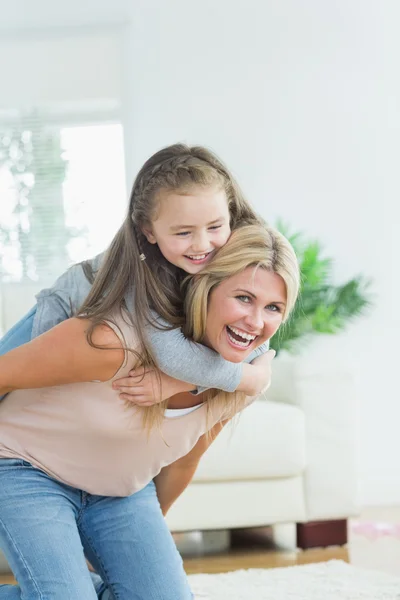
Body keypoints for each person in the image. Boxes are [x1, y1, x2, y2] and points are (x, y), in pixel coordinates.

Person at [0, 224, 300, 600]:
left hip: (118, 489)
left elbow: (184, 462)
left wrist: (139, 553)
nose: (256, 322)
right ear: (206, 287)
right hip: (26, 466)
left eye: (273, 308)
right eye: (243, 298)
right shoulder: (115, 338)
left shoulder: (239, 382)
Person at [0, 143, 271, 406]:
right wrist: (251, 378)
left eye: (214, 227)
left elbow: (257, 338)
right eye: (183, 232)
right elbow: (171, 355)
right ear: (149, 231)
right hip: (65, 307)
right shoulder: (141, 271)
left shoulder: (238, 251)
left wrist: (182, 383)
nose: (202, 244)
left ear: (230, 215)